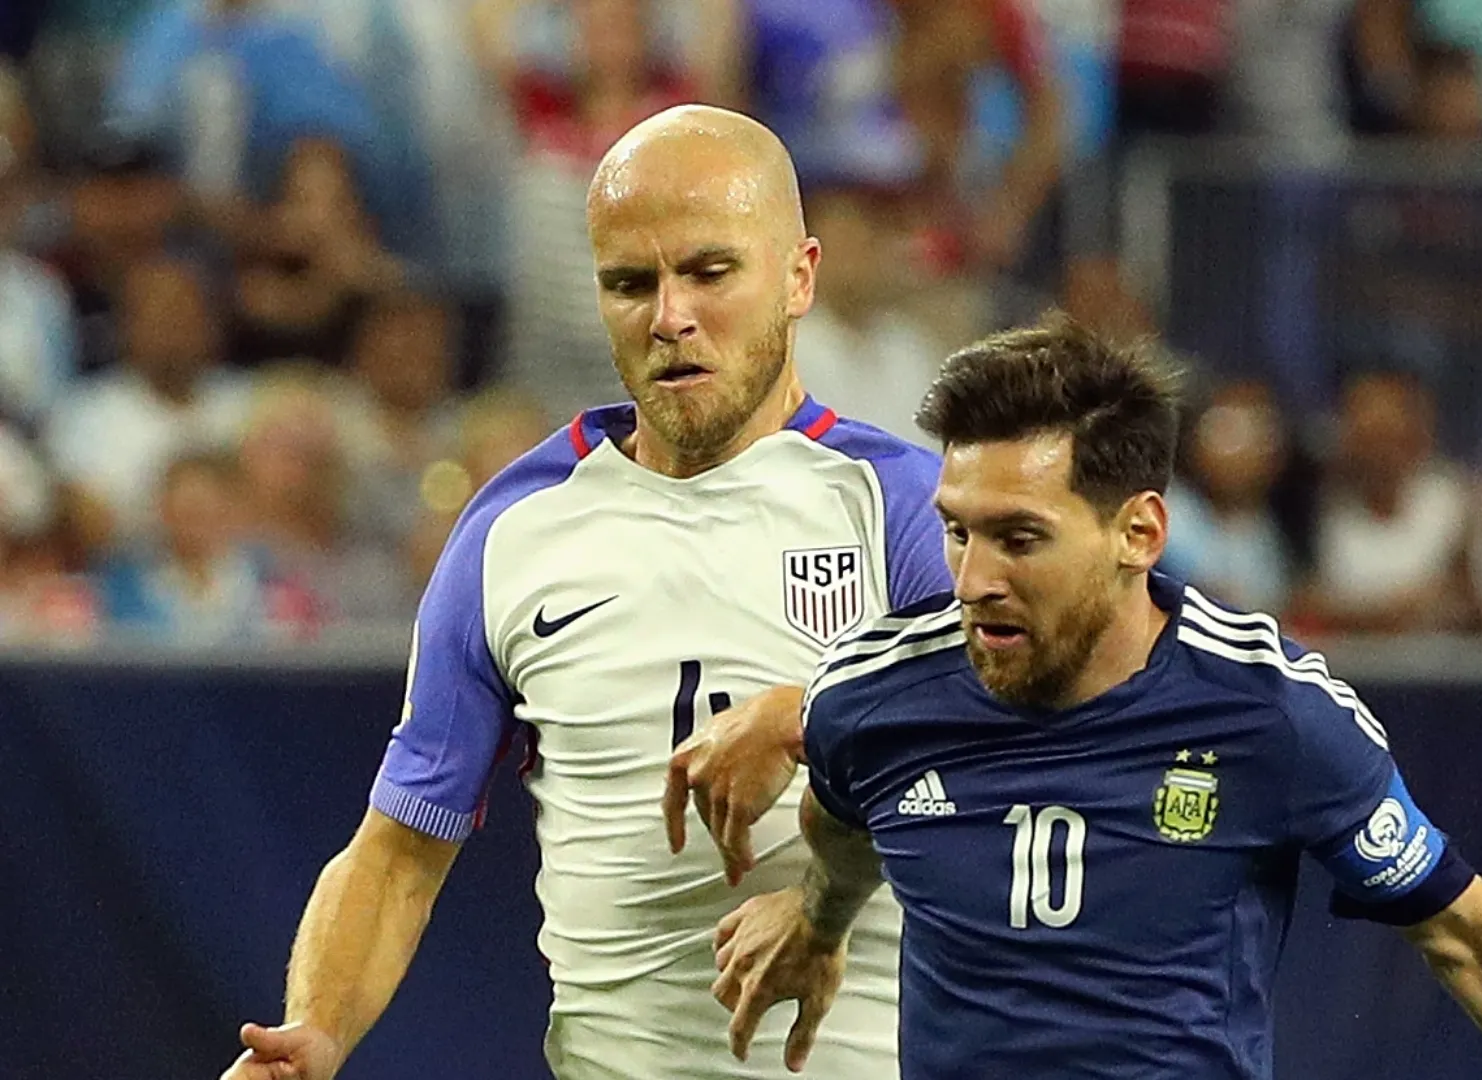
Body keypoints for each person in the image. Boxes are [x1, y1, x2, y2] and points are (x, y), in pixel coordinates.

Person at [219, 104, 947, 1080]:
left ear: (798, 275)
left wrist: (803, 719)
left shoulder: (900, 505)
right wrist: (317, 1027)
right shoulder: (515, 531)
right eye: (630, 283)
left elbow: (1026, 739)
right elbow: (396, 856)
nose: (669, 316)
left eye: (709, 271)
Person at [709, 314, 1482, 1079]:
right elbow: (842, 817)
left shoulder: (1268, 713)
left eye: (1020, 538)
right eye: (957, 533)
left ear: (1139, 532)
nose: (974, 579)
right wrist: (821, 915)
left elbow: (1465, 934)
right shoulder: (876, 695)